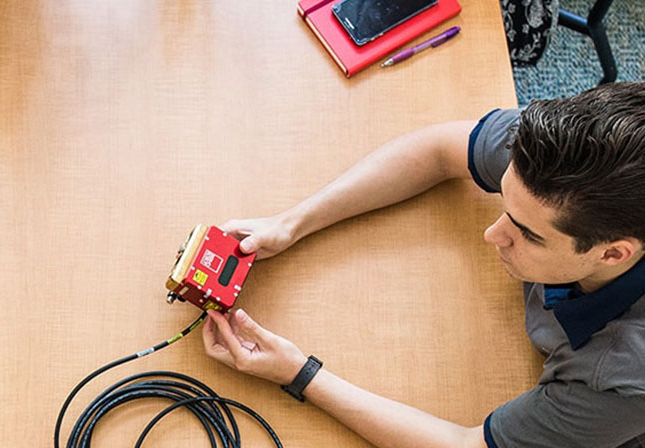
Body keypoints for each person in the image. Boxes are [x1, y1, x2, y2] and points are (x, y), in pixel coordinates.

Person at [201, 82, 645, 448]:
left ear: (613, 253)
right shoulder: (571, 152)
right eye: (505, 203)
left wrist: (299, 374)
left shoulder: (622, 378)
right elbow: (438, 150)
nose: (492, 234)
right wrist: (291, 222)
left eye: (528, 234)